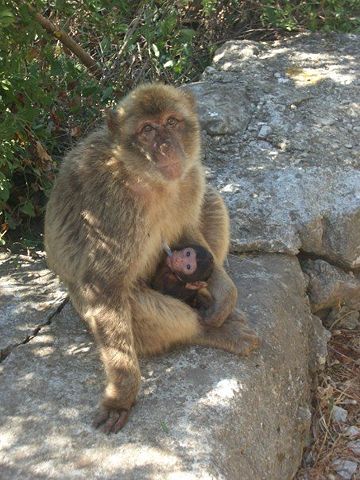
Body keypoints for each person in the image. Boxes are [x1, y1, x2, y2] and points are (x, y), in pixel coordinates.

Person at [151, 244, 214, 309]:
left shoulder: (170, 288)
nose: (179, 259)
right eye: (188, 254)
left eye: (188, 266)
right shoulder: (170, 245)